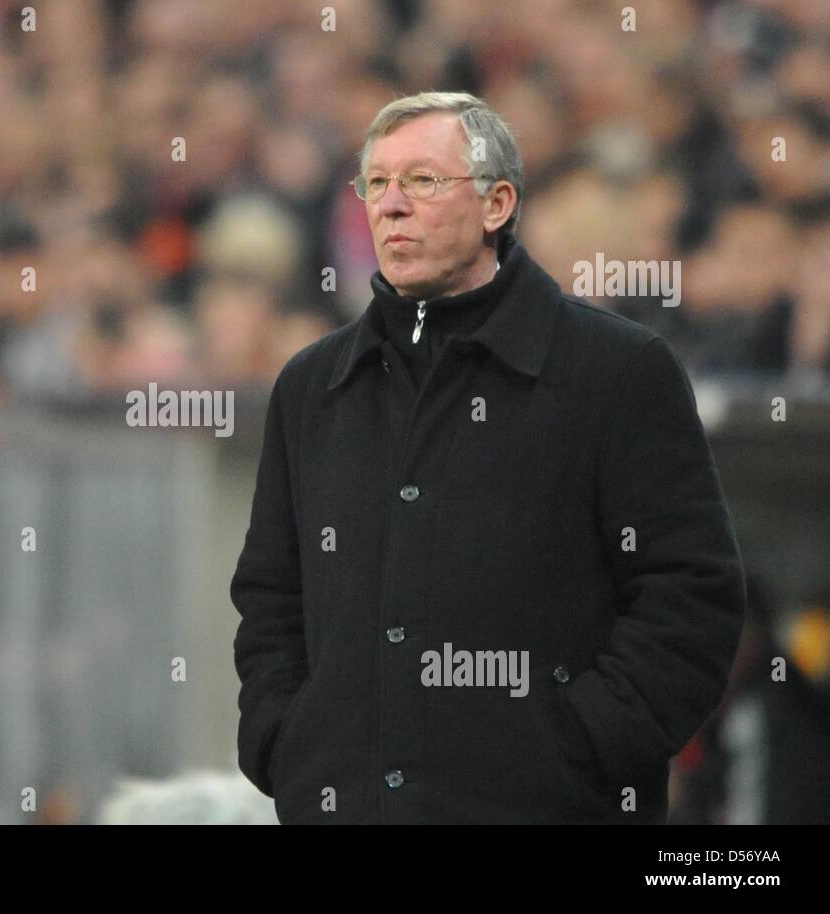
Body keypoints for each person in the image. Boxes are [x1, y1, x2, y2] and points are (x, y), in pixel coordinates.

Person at [230, 91, 747, 824]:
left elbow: (692, 596)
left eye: (423, 181)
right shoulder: (312, 387)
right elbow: (271, 598)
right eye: (376, 184)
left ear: (497, 204)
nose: (391, 205)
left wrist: (580, 744)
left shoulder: (617, 372)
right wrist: (285, 742)